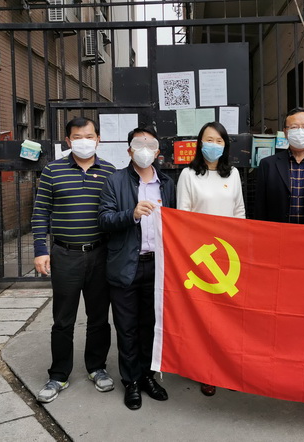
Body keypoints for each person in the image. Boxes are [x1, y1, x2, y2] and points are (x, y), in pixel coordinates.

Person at [32, 117, 115, 403]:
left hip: (100, 254)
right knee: (63, 319)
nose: (84, 141)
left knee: (99, 317)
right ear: (68, 141)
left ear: (98, 139)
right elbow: (40, 212)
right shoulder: (52, 171)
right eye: (77, 137)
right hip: (65, 255)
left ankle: (97, 367)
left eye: (89, 136)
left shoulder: (110, 172)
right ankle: (59, 374)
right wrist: (40, 249)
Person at [98, 126, 175, 410]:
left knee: (151, 326)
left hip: (157, 266)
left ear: (158, 151)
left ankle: (147, 377)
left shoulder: (166, 183)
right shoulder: (115, 181)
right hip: (125, 265)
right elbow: (104, 219)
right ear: (129, 150)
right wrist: (130, 214)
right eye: (138, 144)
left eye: (150, 145)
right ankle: (130, 381)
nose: (144, 150)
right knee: (127, 328)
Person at [177, 121, 245, 397]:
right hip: (200, 257)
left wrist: (240, 247)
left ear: (225, 145)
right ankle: (207, 371)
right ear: (199, 143)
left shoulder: (234, 174)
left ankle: (229, 368)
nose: (213, 145)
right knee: (205, 318)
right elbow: (182, 216)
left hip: (229, 256)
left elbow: (239, 211)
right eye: (208, 140)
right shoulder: (188, 175)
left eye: (219, 141)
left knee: (229, 317)